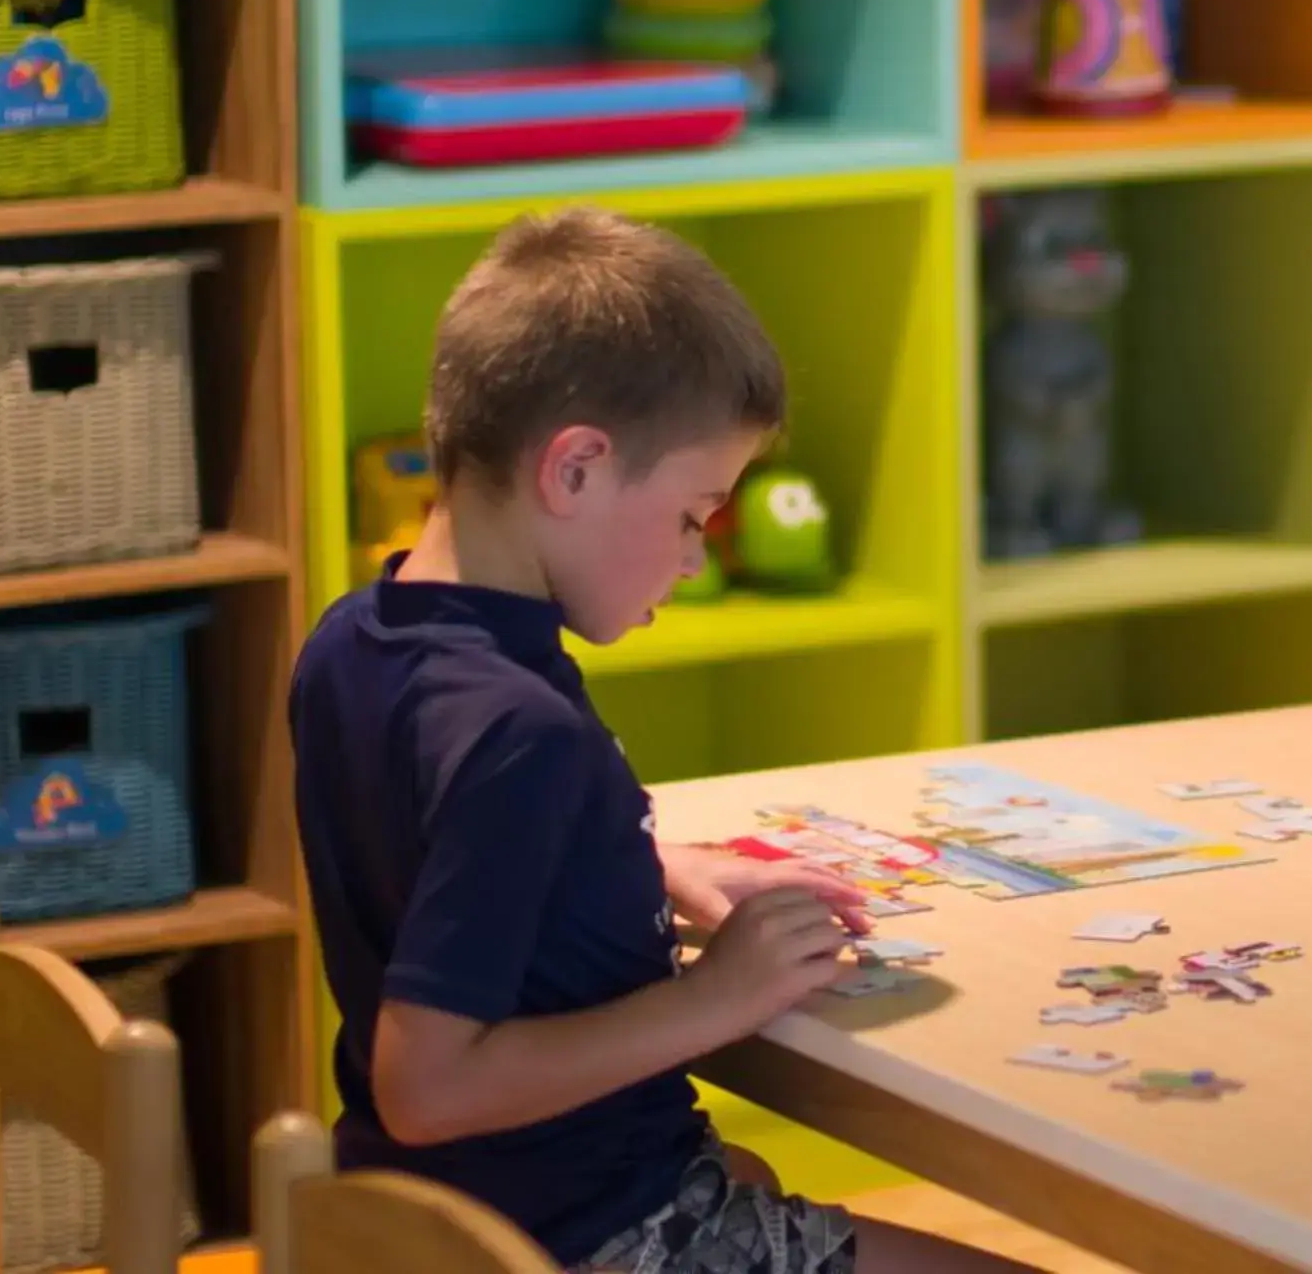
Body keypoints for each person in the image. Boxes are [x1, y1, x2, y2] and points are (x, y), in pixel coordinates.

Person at [290, 208, 1030, 1274]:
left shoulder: (355, 638)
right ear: (576, 468)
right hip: (592, 1234)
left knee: (760, 1179)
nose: (692, 559)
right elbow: (429, 1084)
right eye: (694, 513)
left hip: (431, 1219)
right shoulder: (520, 730)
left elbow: (439, 855)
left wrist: (652, 865)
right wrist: (712, 999)